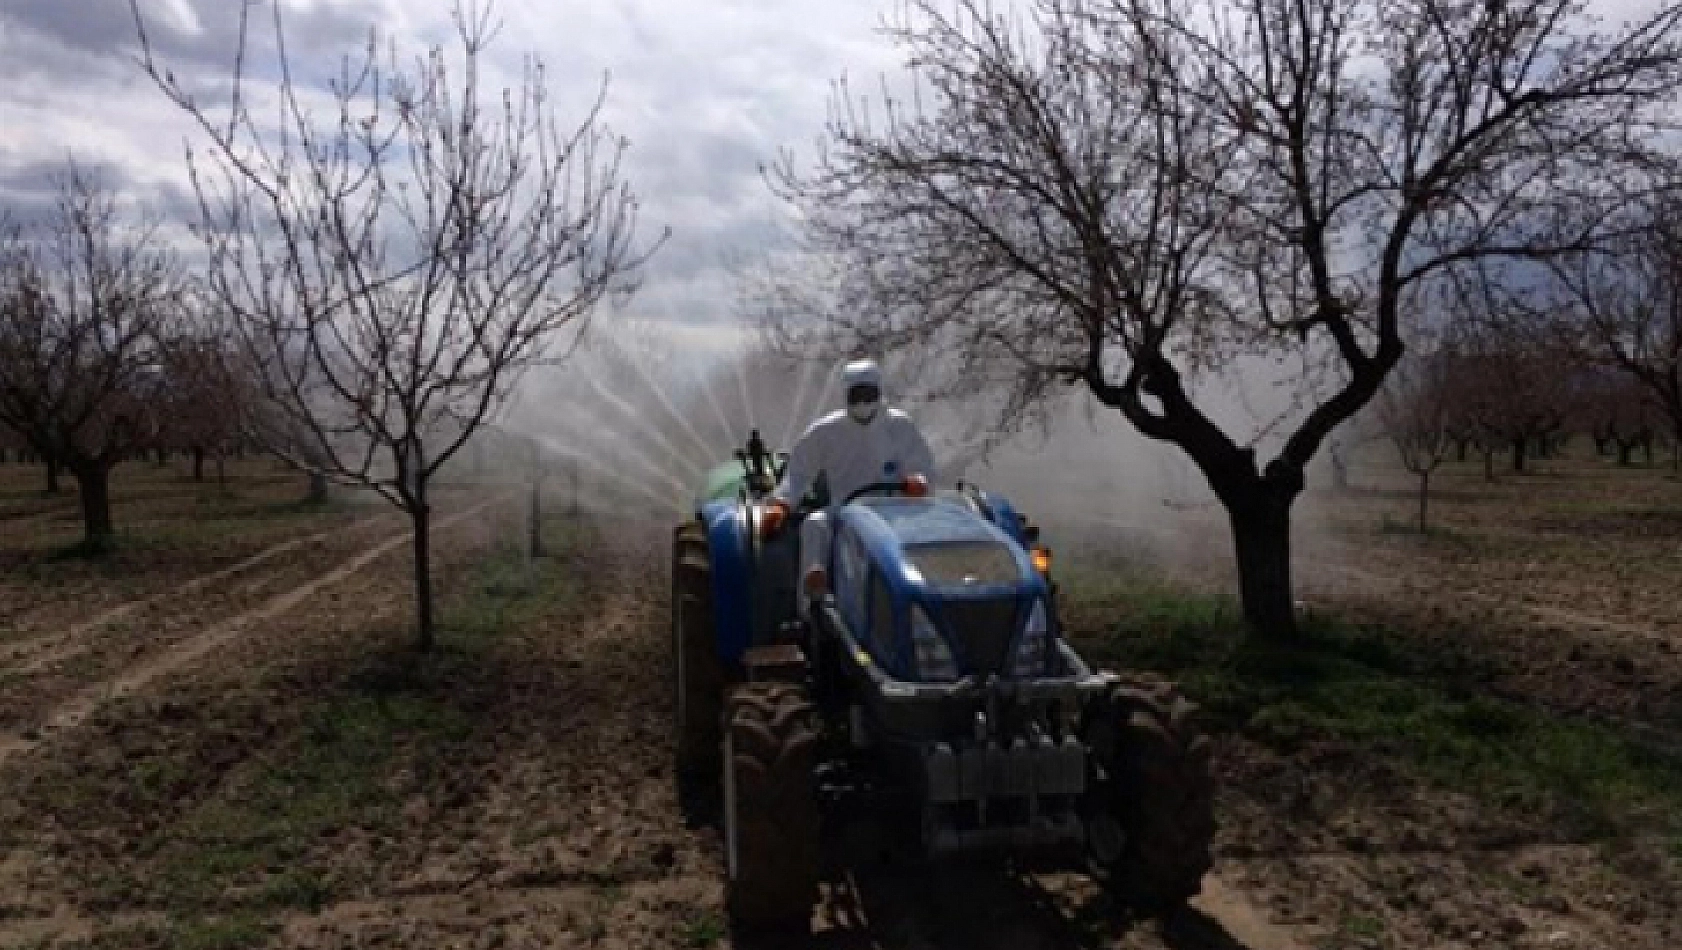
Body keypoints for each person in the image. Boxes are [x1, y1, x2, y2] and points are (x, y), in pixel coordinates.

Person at [772, 359, 936, 611]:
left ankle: (927, 598)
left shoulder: (900, 426)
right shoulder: (826, 431)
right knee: (814, 524)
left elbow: (922, 466)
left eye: (867, 393)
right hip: (845, 513)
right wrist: (783, 503)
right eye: (855, 394)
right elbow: (799, 471)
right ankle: (812, 601)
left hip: (894, 513)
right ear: (846, 394)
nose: (862, 401)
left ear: (879, 392)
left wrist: (918, 483)